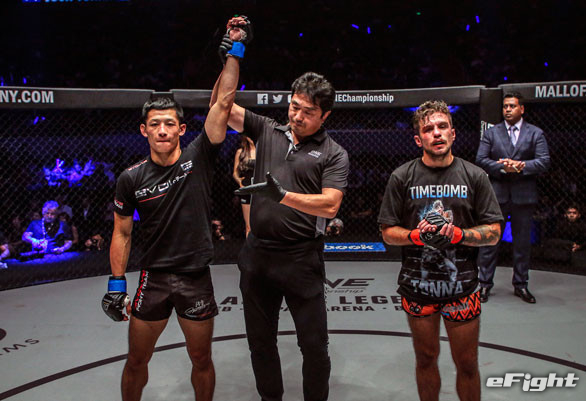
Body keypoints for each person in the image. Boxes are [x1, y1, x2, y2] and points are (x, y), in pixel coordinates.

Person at [101, 16, 247, 401]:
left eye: (169, 123)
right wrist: (117, 284)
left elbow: (223, 103)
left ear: (182, 129)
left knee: (201, 359)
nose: (162, 130)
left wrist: (234, 50)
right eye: (155, 124)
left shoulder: (199, 156)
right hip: (154, 278)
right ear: (144, 130)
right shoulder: (130, 178)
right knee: (136, 360)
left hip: (195, 276)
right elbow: (122, 232)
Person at [226, 71, 349, 401]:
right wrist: (231, 60)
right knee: (260, 342)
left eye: (308, 112)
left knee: (314, 346)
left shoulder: (333, 153)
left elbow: (330, 204)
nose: (298, 116)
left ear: (325, 115)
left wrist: (282, 196)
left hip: (301, 258)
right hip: (258, 256)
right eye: (295, 107)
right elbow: (221, 107)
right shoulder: (267, 130)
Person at [378, 100, 503, 401]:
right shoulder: (402, 177)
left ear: (453, 133)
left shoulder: (474, 176)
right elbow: (388, 233)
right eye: (428, 129)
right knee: (425, 358)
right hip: (417, 286)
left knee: (468, 363)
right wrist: (415, 236)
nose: (436, 133)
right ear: (418, 139)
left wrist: (460, 234)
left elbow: (494, 232)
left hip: (462, 286)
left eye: (442, 126)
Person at [475, 91, 550, 303]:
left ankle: (521, 285)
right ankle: (484, 284)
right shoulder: (492, 133)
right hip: (497, 195)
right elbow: (480, 159)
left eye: (512, 106)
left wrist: (521, 166)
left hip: (523, 196)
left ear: (521, 109)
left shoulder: (535, 133)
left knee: (522, 244)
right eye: (505, 106)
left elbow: (544, 161)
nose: (507, 110)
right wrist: (502, 167)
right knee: (490, 242)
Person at [232, 134, 256, 236]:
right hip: (246, 188)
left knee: (262, 224)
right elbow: (235, 173)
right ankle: (249, 246)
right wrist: (239, 182)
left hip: (261, 189)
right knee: (248, 226)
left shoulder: (264, 151)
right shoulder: (241, 152)